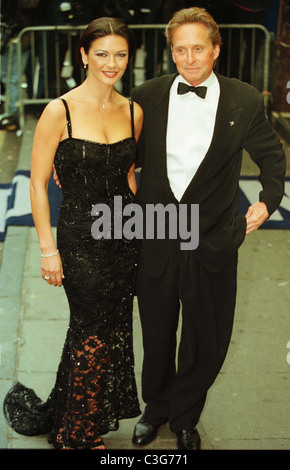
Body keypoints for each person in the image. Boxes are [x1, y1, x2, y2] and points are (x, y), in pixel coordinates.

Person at [130, 7, 286, 450]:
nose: (190, 58)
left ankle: (185, 417)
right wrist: (71, 165)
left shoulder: (244, 99)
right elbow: (121, 153)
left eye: (198, 48)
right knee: (158, 332)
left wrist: (267, 201)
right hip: (157, 230)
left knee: (205, 336)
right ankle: (155, 409)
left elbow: (273, 157)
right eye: (180, 49)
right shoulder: (147, 95)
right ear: (171, 53)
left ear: (216, 49)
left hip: (212, 236)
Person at [3, 17, 143, 449]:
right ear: (83, 55)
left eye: (120, 54)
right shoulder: (58, 111)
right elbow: (37, 182)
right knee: (92, 329)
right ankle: (72, 433)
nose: (111, 63)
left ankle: (75, 413)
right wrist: (48, 250)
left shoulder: (133, 111)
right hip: (81, 238)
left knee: (105, 327)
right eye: (102, 53)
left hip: (125, 234)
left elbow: (129, 178)